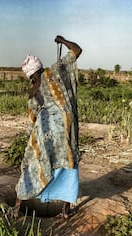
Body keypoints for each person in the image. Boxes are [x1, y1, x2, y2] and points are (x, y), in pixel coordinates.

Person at [14, 35, 82, 219]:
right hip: (63, 133)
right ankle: (65, 210)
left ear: (30, 74)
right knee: (68, 163)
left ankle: (17, 206)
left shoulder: (34, 89)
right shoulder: (54, 72)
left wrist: (32, 137)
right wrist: (63, 40)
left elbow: (33, 118)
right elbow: (76, 50)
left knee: (32, 163)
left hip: (44, 134)